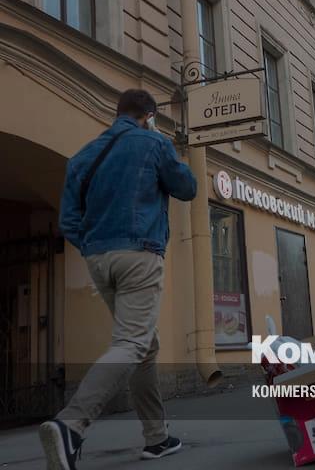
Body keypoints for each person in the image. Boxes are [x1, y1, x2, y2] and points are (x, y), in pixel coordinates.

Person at [40, 89, 196, 469]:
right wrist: (162, 142)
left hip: (99, 259)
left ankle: (156, 438)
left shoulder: (84, 156)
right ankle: (70, 425)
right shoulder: (153, 143)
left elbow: (69, 221)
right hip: (139, 254)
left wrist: (93, 247)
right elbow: (187, 188)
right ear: (149, 116)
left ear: (119, 113)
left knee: (145, 344)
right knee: (132, 343)